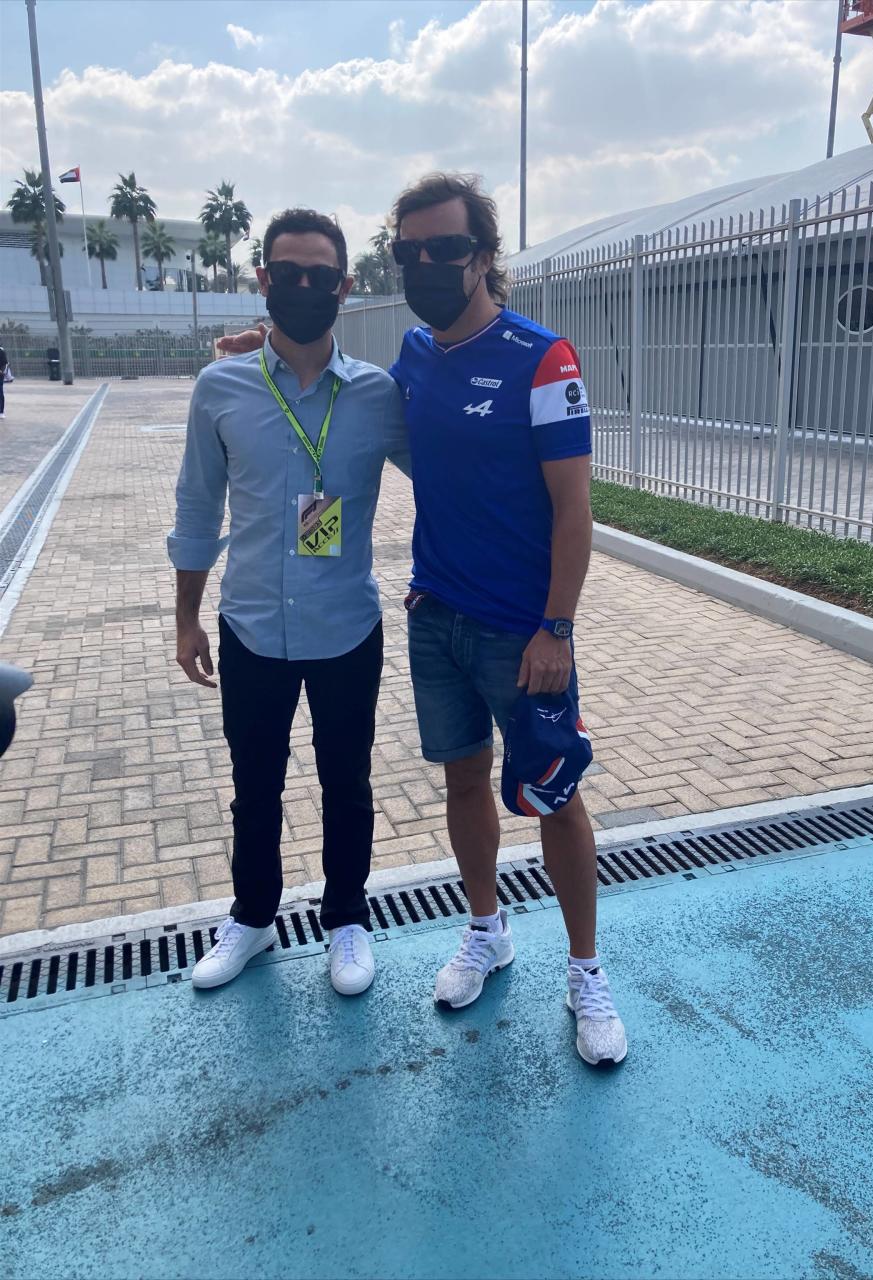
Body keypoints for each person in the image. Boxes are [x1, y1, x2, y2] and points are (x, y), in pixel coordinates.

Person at [219, 175, 627, 1067]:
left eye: (447, 249)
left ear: (485, 254)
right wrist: (268, 347)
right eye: (411, 253)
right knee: (465, 786)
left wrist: (557, 628)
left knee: (556, 799)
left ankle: (588, 972)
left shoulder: (543, 357)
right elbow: (337, 388)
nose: (430, 265)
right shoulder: (414, 355)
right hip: (434, 617)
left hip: (525, 634)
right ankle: (488, 930)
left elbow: (574, 513)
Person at [169, 208, 409, 995]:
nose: (304, 287)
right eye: (288, 273)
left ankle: (346, 919)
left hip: (347, 627)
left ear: (344, 286)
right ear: (264, 280)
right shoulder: (220, 387)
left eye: (320, 276)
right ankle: (252, 918)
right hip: (251, 628)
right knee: (256, 784)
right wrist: (186, 618)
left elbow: (450, 479)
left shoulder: (378, 396)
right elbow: (198, 509)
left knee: (348, 782)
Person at [0, 345, 8, 419]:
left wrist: (1, 371)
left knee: (0, 393)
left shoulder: (1, 351)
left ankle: (1, 412)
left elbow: (4, 364)